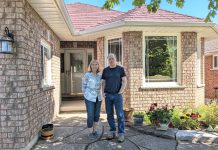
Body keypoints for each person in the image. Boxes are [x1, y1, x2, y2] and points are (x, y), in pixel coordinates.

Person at [101, 53, 127, 143]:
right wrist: (102, 92)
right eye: (109, 59)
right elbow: (103, 82)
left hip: (117, 95)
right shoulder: (105, 70)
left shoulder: (120, 69)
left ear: (115, 59)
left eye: (112, 58)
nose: (111, 60)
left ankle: (121, 133)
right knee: (109, 115)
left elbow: (124, 81)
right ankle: (112, 131)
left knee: (120, 115)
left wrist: (121, 91)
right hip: (108, 95)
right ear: (108, 60)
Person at [82, 60, 102, 139]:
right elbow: (83, 86)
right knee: (90, 115)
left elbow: (104, 84)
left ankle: (94, 131)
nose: (94, 66)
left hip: (98, 97)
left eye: (96, 64)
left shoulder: (100, 75)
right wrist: (85, 94)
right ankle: (90, 132)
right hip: (89, 97)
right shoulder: (87, 75)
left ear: (98, 66)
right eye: (92, 64)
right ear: (90, 66)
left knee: (96, 115)